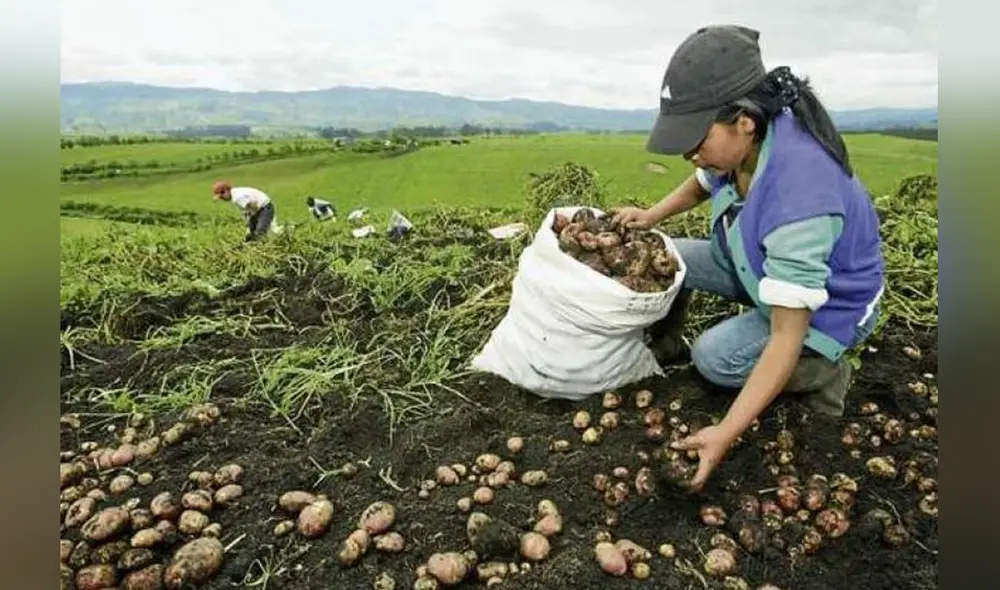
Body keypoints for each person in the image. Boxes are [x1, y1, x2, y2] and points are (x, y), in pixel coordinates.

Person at [612, 25, 885, 492]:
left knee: (715, 358)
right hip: (755, 264)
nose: (689, 154)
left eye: (696, 139)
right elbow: (703, 182)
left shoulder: (801, 197)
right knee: (667, 253)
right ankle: (667, 341)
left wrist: (724, 433)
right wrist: (650, 216)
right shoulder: (745, 142)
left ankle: (825, 370)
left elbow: (784, 335)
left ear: (744, 121)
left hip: (825, 309)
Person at [212, 182, 276, 241]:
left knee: (260, 232)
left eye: (221, 197)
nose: (222, 199)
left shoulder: (238, 197)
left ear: (225, 191)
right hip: (260, 208)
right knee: (252, 234)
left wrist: (252, 221)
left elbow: (254, 206)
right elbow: (249, 210)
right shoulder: (234, 193)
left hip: (265, 208)